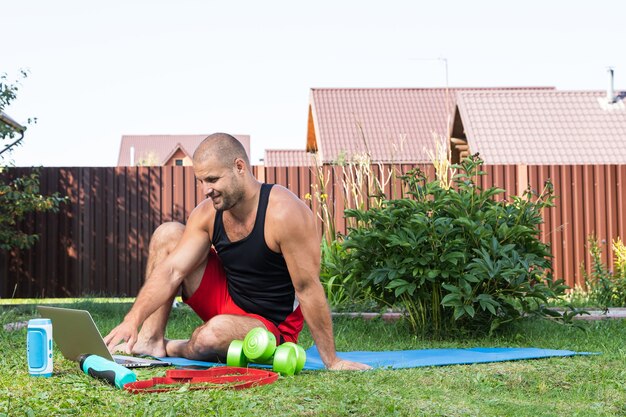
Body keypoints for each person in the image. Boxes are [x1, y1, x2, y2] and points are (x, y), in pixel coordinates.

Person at [104, 133, 370, 371]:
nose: (205, 189)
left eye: (212, 179)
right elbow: (173, 270)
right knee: (168, 234)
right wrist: (132, 319)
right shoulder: (207, 213)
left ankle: (173, 347)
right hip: (227, 297)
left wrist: (332, 360)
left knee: (210, 336)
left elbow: (307, 288)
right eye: (200, 181)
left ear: (239, 167)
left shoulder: (284, 213)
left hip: (270, 324)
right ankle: (149, 342)